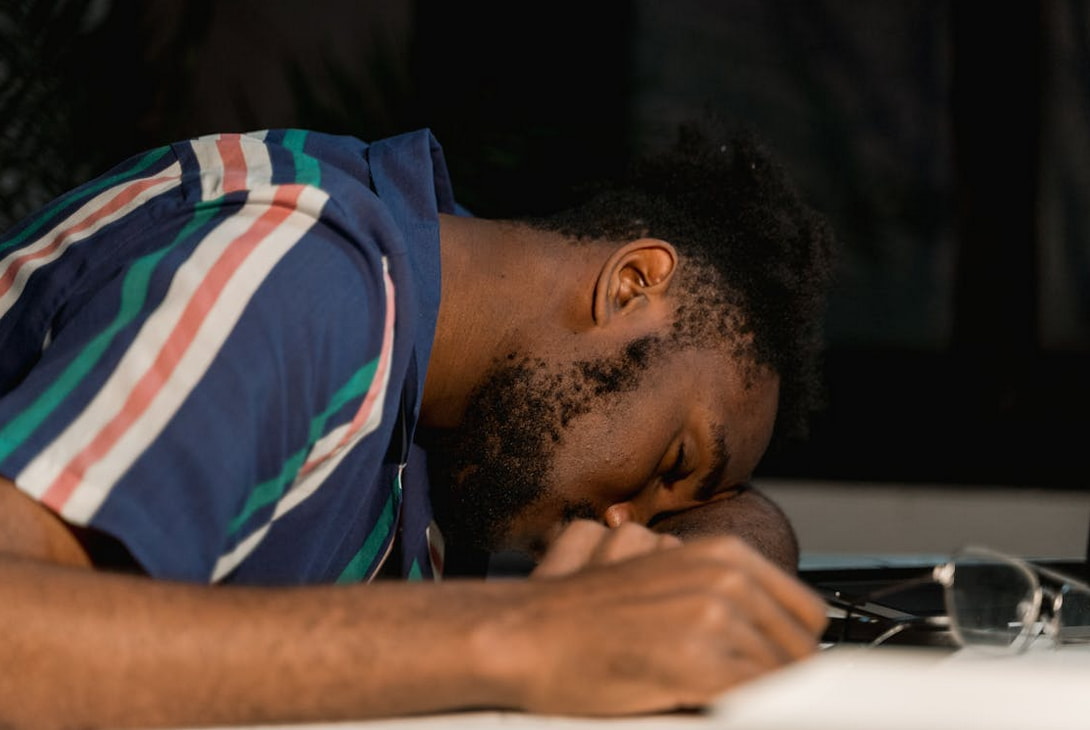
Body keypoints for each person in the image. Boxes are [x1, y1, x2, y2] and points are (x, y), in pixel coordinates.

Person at [0, 118, 834, 728]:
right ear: (630, 285)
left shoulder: (447, 395)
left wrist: (718, 551)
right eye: (672, 460)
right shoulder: (297, 275)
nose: (626, 520)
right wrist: (524, 636)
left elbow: (725, 528)